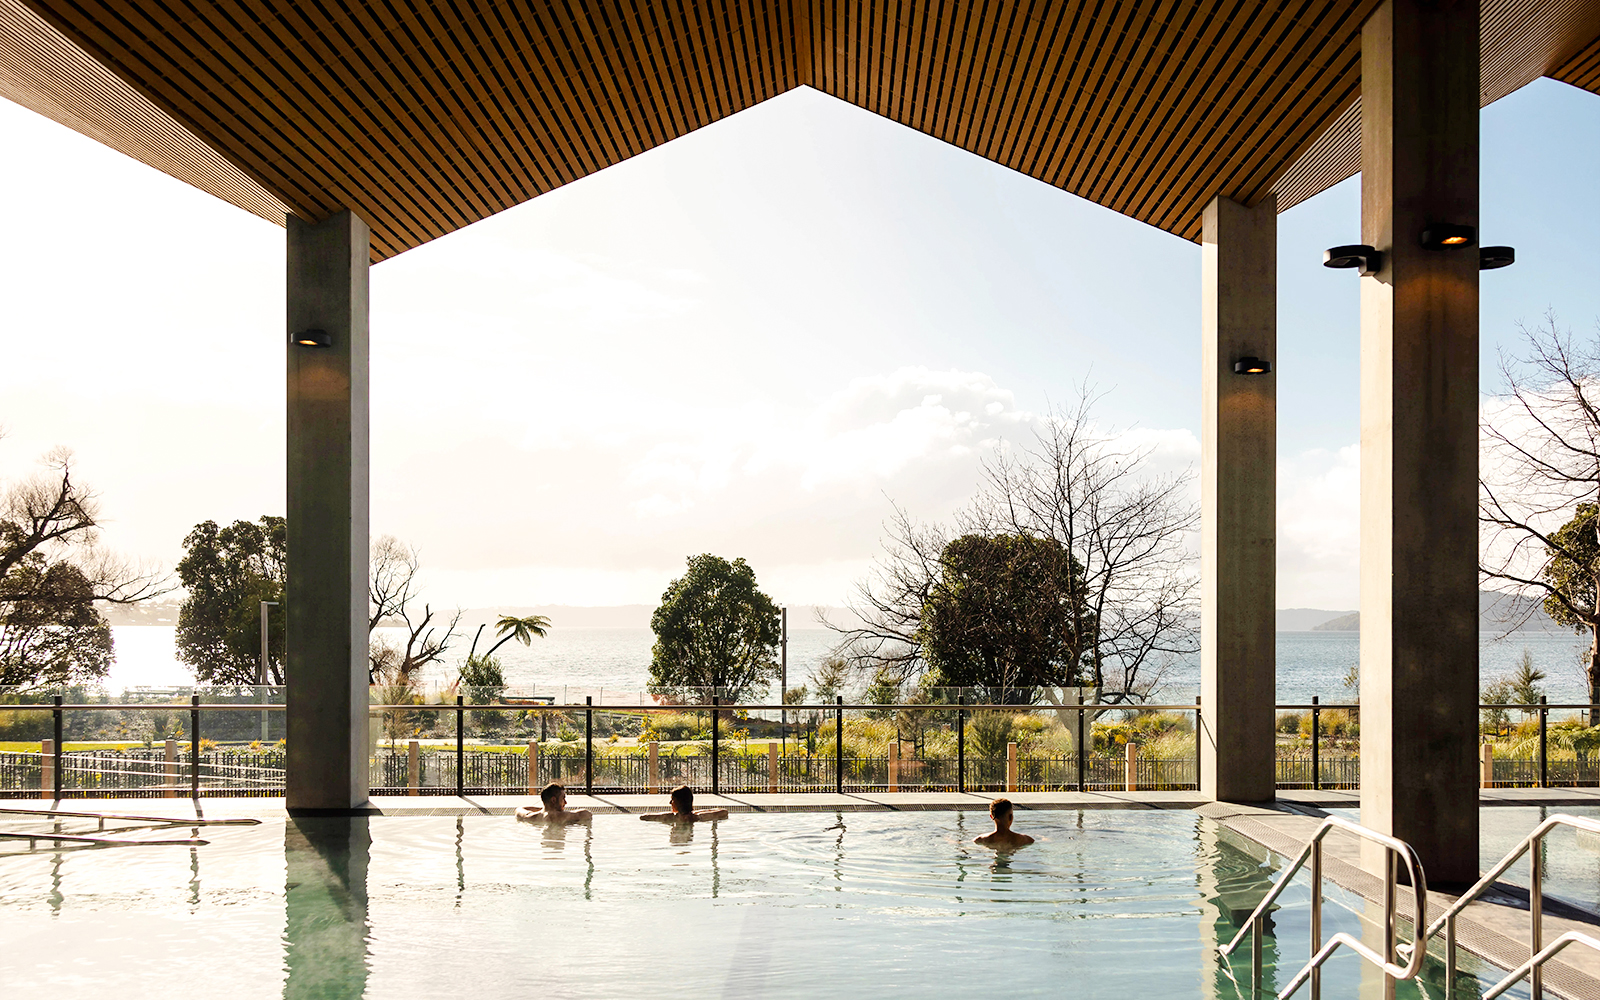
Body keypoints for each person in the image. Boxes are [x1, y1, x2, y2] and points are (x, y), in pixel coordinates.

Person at [639, 784, 729, 823]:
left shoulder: (671, 817)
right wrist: (697, 813)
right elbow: (724, 811)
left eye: (672, 799)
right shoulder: (699, 817)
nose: (670, 803)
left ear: (678, 802)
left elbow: (643, 816)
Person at [516, 782, 592, 824]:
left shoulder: (531, 817)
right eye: (563, 798)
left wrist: (542, 809)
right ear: (553, 800)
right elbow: (587, 814)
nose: (565, 802)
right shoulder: (561, 816)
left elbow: (519, 809)